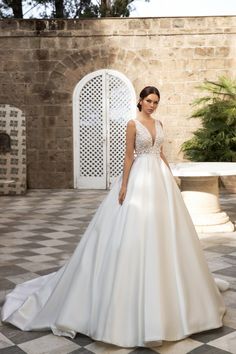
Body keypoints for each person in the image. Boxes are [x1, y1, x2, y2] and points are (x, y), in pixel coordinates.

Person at [1, 86, 228, 348]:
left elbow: (161, 153)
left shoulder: (159, 123)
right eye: (149, 101)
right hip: (139, 179)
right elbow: (129, 156)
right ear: (140, 101)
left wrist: (172, 176)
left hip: (160, 182)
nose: (152, 105)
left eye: (156, 102)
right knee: (131, 233)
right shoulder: (133, 124)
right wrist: (123, 186)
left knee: (168, 235)